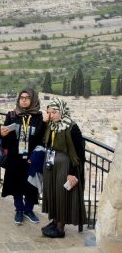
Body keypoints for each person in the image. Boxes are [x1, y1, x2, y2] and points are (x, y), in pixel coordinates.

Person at [0, 88, 47, 225]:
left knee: (31, 185)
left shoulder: (39, 118)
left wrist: (44, 123)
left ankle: (29, 210)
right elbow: (6, 139)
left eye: (27, 97)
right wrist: (2, 134)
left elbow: (40, 139)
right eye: (21, 97)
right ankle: (19, 210)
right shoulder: (12, 115)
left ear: (33, 100)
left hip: (31, 158)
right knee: (16, 185)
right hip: (15, 158)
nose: (24, 100)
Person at [41, 98, 86, 238]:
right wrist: (44, 122)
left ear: (62, 111)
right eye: (49, 112)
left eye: (54, 112)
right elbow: (42, 140)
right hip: (52, 166)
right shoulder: (51, 126)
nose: (52, 115)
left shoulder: (72, 127)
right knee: (54, 194)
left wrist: (72, 173)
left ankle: (60, 228)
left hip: (65, 168)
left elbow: (79, 153)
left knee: (62, 196)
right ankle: (54, 222)